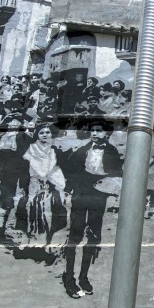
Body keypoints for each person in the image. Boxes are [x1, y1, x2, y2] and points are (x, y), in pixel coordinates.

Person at [61, 120, 122, 298]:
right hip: (81, 193)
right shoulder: (82, 150)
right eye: (93, 130)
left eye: (99, 131)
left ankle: (83, 277)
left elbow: (118, 173)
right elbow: (70, 169)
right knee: (76, 234)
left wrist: (112, 188)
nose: (95, 134)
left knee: (94, 236)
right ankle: (69, 279)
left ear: (106, 134)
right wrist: (69, 188)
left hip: (99, 194)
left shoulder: (111, 151)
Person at [19, 124, 68, 244]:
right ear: (37, 135)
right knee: (35, 208)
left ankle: (49, 238)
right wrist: (40, 177)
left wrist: (52, 179)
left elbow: (57, 168)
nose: (45, 135)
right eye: (42, 133)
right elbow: (30, 167)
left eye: (47, 132)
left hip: (53, 182)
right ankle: (34, 238)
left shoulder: (55, 149)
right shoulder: (31, 149)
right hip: (35, 182)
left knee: (51, 210)